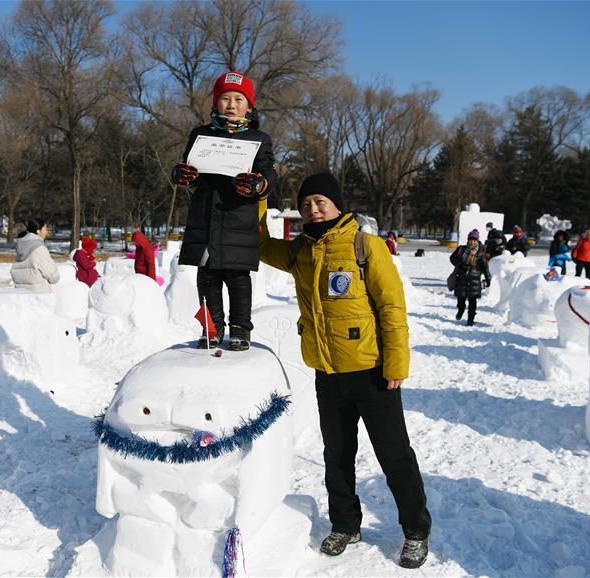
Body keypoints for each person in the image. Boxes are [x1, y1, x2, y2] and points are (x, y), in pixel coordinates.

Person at [258, 172, 431, 568]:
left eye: (319, 201)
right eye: (305, 204)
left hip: (372, 374)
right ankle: (346, 524)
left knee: (394, 456)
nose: (312, 209)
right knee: (337, 455)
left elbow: (391, 308)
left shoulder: (364, 246)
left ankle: (416, 531)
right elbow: (262, 245)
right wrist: (258, 198)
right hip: (328, 375)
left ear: (337, 205)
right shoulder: (300, 251)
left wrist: (396, 364)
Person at [172, 71, 277, 351]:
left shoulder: (259, 139)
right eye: (225, 98)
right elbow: (189, 167)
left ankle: (241, 330)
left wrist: (260, 184)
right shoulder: (200, 134)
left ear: (249, 106)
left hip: (238, 224)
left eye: (238, 99)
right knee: (206, 278)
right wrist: (181, 174)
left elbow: (269, 174)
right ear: (215, 104)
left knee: (238, 279)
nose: (231, 105)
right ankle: (211, 328)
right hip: (205, 222)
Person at [450, 229, 491, 326]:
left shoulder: (480, 253)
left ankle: (470, 320)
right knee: (461, 299)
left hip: (474, 281)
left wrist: (488, 279)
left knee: (472, 302)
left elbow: (485, 268)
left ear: (477, 241)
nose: (472, 242)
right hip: (461, 279)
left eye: (474, 240)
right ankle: (460, 310)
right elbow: (452, 258)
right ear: (468, 240)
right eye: (470, 239)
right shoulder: (461, 249)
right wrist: (459, 264)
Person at [10, 218, 60, 292]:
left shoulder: (22, 246)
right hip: (39, 296)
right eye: (45, 229)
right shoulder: (39, 249)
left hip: (21, 294)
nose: (46, 231)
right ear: (38, 231)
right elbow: (53, 276)